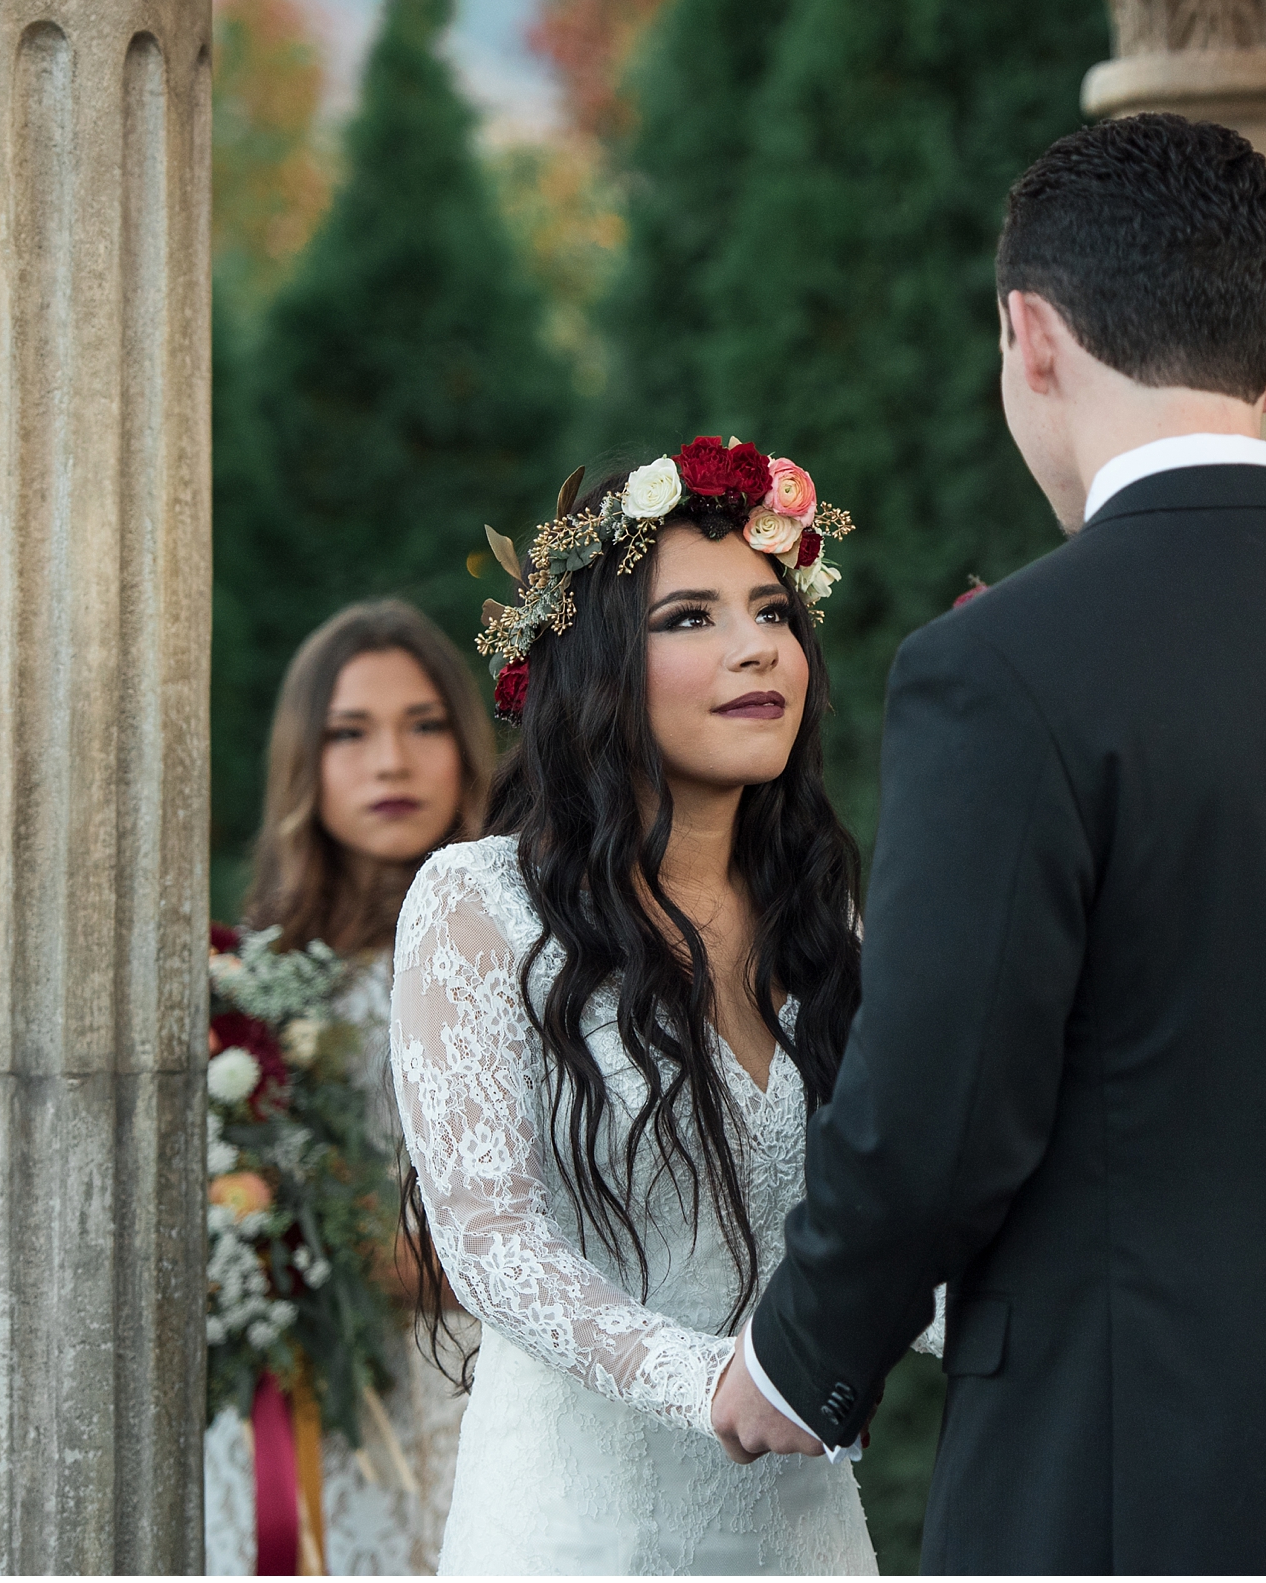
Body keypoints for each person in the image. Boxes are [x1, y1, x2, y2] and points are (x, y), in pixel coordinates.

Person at [710, 113, 1266, 1573]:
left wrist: (797, 1355)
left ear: (1028, 335)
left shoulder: (1000, 670)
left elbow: (938, 1111)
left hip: (1119, 1477)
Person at [388, 447, 937, 1575]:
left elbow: (888, 1205)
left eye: (772, 610)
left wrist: (1024, 1314)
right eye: (690, 617)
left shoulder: (821, 915)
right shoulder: (478, 903)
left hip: (804, 1540)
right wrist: (720, 1384)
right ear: (594, 670)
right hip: (576, 1534)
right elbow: (490, 1241)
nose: (754, 647)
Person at [203, 599, 496, 1575]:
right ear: (304, 762)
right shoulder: (242, 985)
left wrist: (441, 1264)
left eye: (424, 725)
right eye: (350, 732)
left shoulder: (537, 952)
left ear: (465, 745)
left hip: (483, 1382)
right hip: (306, 1403)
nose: (391, 762)